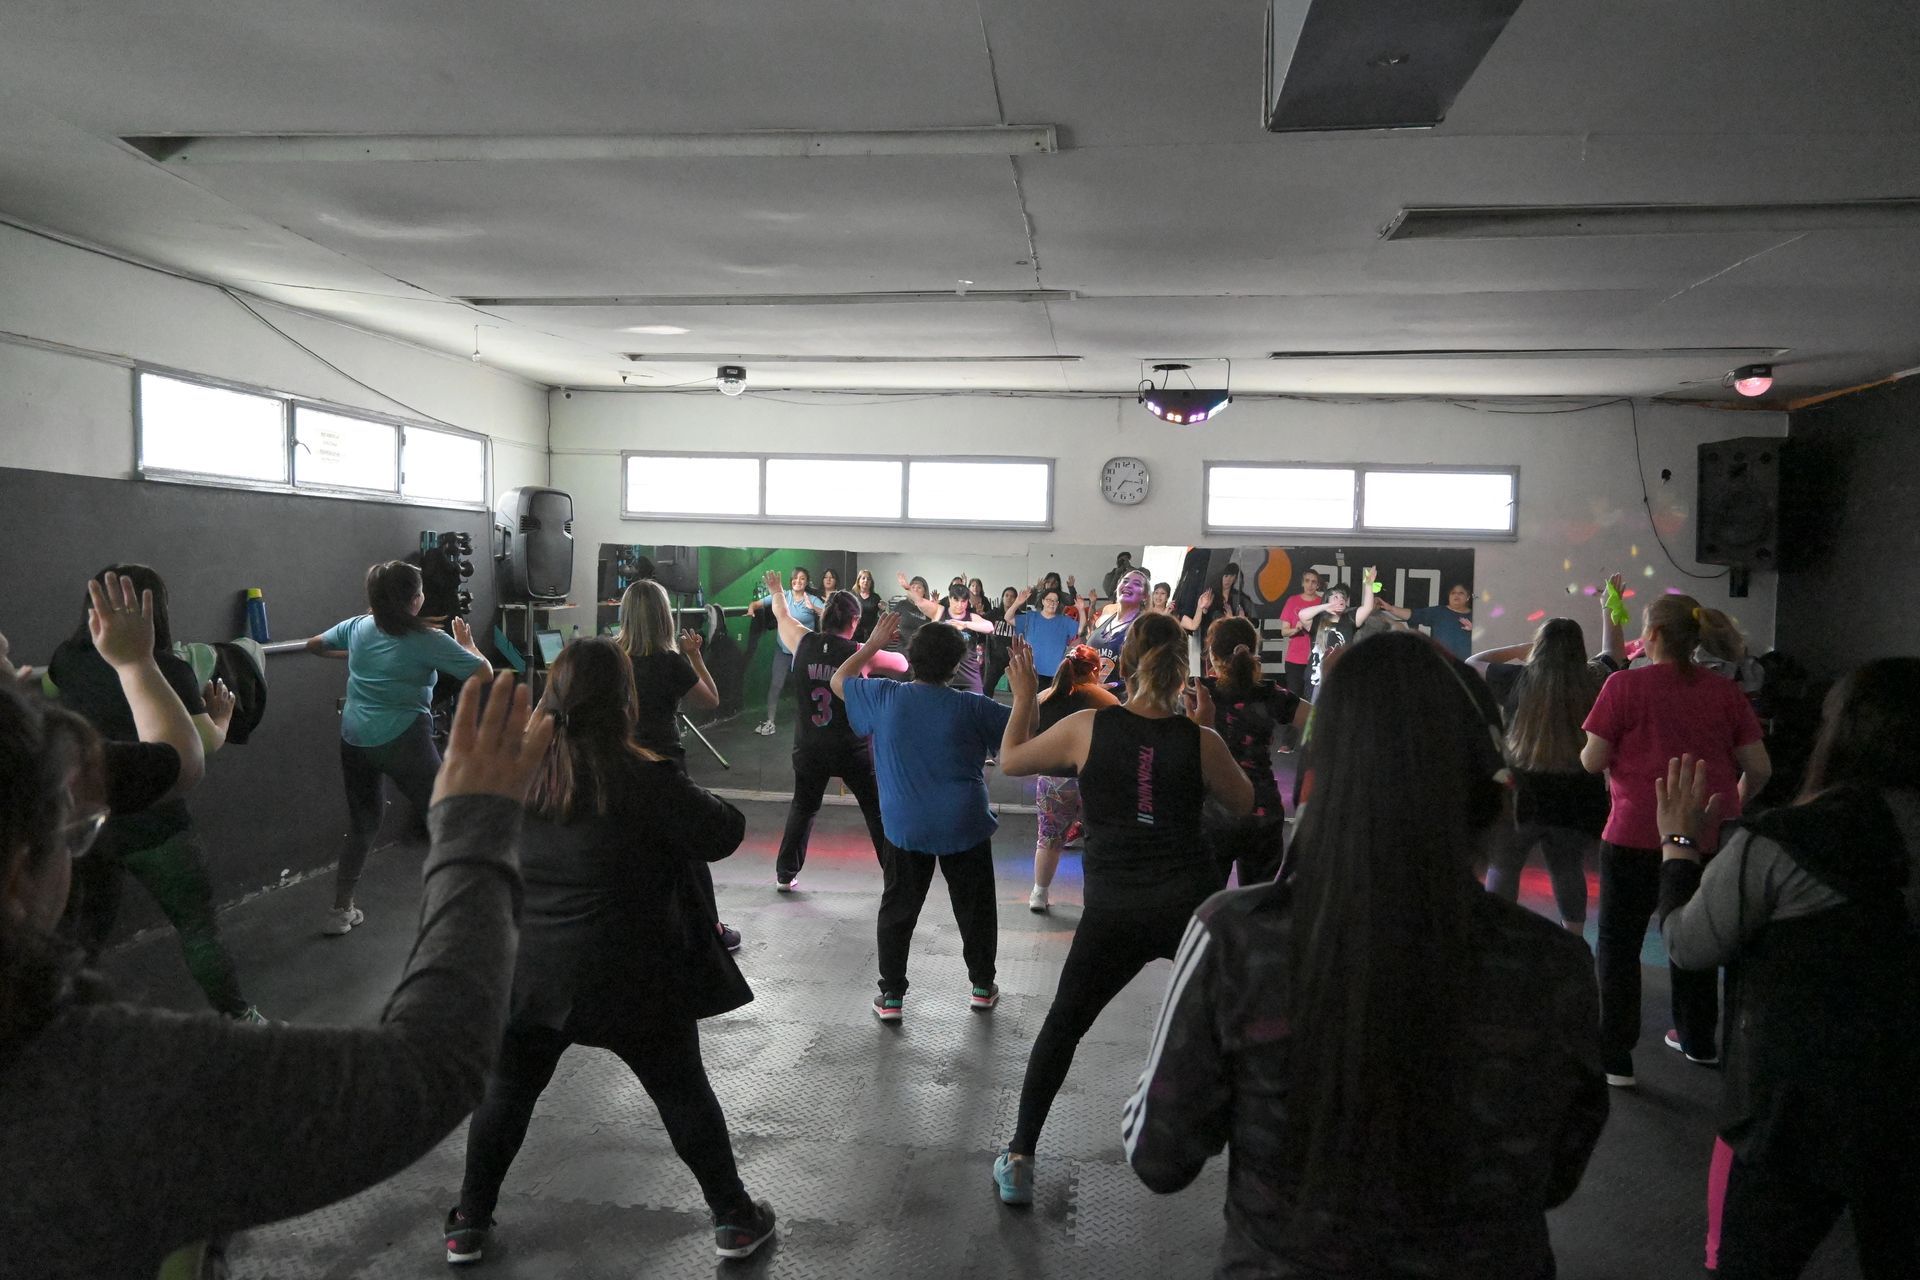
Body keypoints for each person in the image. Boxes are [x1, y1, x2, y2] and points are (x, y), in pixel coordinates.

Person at [1, 666, 556, 1280]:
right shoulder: (109, 1090)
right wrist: (475, 827)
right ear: (19, 876)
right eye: (71, 836)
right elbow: (431, 1065)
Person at [1123, 631, 1608, 1277]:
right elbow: (1555, 1176)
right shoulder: (1554, 966)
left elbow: (1158, 1155)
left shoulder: (1237, 939)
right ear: (1493, 794)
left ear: (1317, 785)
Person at [447, 639, 776, 1265]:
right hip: (634, 976)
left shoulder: (514, 774)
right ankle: (734, 1218)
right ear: (625, 701)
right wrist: (666, 775)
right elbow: (726, 831)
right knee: (682, 1093)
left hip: (531, 971)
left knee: (506, 1093)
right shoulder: (645, 776)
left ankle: (468, 1221)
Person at [1655, 660, 1919, 1280]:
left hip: (1797, 1112)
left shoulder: (1783, 842)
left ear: (1842, 733)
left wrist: (1679, 847)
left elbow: (1689, 944)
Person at [992, 613, 1254, 1205]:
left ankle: (1020, 1157)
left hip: (1115, 914)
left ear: (1128, 664)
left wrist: (1027, 697)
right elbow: (1243, 802)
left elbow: (1009, 760)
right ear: (1181, 669)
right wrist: (1208, 734)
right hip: (1190, 907)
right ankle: (1265, 1166)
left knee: (1063, 1026)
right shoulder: (1199, 739)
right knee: (1237, 1032)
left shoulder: (1088, 727)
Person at [47, 564, 258, 1019]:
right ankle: (242, 1020)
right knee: (199, 931)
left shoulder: (66, 659)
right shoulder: (169, 670)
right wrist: (221, 715)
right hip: (158, 828)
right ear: (156, 613)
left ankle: (73, 1024)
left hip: (92, 830)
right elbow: (193, 753)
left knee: (81, 941)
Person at [1581, 594, 1771, 1086]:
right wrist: (1731, 803)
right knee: (1696, 935)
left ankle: (1616, 1056)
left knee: (1618, 945)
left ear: (1656, 637)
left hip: (1631, 834)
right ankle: (1697, 1039)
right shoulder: (1726, 693)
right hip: (1705, 837)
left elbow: (1592, 760)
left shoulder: (1623, 685)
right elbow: (1760, 768)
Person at [832, 613, 1011, 1020]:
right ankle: (982, 986)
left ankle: (891, 996)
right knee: (976, 907)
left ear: (911, 658)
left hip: (905, 826)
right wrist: (1029, 689)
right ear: (955, 665)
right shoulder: (974, 707)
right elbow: (1023, 728)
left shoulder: (884, 696)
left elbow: (838, 682)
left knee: (898, 909)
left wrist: (873, 643)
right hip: (962, 824)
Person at [307, 560, 490, 936]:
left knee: (363, 824)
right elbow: (482, 672)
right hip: (403, 738)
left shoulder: (358, 627)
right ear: (413, 601)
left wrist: (358, 656)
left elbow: (315, 646)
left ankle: (340, 911)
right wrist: (469, 645)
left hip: (355, 737)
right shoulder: (429, 640)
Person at [1471, 577, 1629, 932]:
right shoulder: (1594, 678)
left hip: (1521, 790)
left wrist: (1524, 647)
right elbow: (1616, 656)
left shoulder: (1516, 678)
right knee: (1567, 867)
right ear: (1578, 649)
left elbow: (1472, 660)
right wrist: (1609, 608)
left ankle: (1497, 933)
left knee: (1504, 865)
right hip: (1576, 792)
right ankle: (1573, 937)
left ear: (1539, 648)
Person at [763, 571, 908, 891]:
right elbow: (901, 665)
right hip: (852, 749)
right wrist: (875, 645)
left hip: (809, 747)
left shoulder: (801, 641)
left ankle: (785, 874)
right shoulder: (860, 652)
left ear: (824, 616)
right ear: (854, 622)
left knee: (803, 806)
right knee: (875, 810)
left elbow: (781, 614)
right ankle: (895, 877)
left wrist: (777, 591)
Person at [1196, 617, 1306, 888]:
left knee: (1206, 907)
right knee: (1257, 911)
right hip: (1263, 811)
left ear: (1212, 653)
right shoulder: (1272, 695)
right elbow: (1326, 722)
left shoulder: (1197, 692)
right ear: (1253, 649)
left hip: (1213, 812)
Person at [1021, 643, 1120, 914]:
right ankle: (1098, 897)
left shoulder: (1044, 696)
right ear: (1095, 670)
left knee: (1048, 840)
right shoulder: (1106, 700)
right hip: (1093, 780)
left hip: (1053, 780)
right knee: (1098, 839)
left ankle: (1039, 893)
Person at [613, 578, 717, 761]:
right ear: (663, 616)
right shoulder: (670, 663)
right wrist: (695, 656)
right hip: (664, 762)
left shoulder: (608, 656)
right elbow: (710, 700)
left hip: (619, 761)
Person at [748, 567, 823, 737]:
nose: (798, 581)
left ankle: (813, 721)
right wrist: (752, 608)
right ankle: (770, 722)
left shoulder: (811, 599)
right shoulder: (784, 596)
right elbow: (758, 603)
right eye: (795, 578)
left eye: (802, 579)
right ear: (791, 581)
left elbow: (828, 612)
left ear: (807, 582)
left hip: (803, 651)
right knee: (776, 685)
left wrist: (814, 607)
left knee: (808, 686)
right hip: (783, 651)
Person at [899, 576, 996, 694]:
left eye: (963, 601)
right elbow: (920, 601)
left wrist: (965, 624)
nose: (960, 605)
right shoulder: (939, 611)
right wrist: (908, 588)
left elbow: (989, 627)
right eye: (956, 600)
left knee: (976, 707)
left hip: (968, 676)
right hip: (941, 676)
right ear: (949, 599)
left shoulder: (971, 618)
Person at [1373, 582, 1476, 662]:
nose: (1456, 595)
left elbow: (1489, 637)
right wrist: (1390, 608)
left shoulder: (1477, 616)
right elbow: (1412, 614)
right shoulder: (1438, 612)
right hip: (1443, 665)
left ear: (1468, 597)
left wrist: (1474, 629)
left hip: (1467, 666)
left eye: (1461, 593)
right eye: (1453, 593)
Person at [1010, 587, 1083, 691]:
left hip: (1055, 674)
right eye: (1049, 600)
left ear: (1058, 604)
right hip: (1031, 671)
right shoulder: (1031, 617)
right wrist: (1017, 602)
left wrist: (1081, 609)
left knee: (1050, 705)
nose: (1052, 603)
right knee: (1031, 704)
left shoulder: (1064, 621)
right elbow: (1008, 618)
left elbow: (1080, 629)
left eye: (1055, 601)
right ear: (1043, 601)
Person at [1087, 569, 1151, 683]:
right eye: (1125, 581)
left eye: (1136, 584)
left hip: (1120, 698)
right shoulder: (1104, 619)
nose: (1128, 585)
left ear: (1145, 596)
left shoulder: (1145, 628)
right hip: (1090, 696)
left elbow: (1146, 674)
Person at [1275, 570, 1325, 703]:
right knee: (1294, 699)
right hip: (1294, 660)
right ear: (1303, 583)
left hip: (1315, 660)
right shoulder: (1292, 601)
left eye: (1314, 582)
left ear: (1318, 585)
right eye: (1307, 581)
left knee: (1313, 700)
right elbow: (1284, 632)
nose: (1310, 585)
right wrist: (1296, 629)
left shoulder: (1322, 603)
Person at [1179, 562, 1253, 637]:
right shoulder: (1212, 595)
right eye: (1226, 576)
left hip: (1232, 638)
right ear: (1221, 576)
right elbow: (1199, 622)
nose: (1228, 579)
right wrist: (1204, 609)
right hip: (1213, 638)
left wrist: (1242, 620)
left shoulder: (1239, 598)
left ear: (1235, 578)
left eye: (1232, 576)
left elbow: (1254, 621)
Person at [850, 569, 884, 643]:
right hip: (855, 633)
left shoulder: (876, 597)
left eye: (868, 579)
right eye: (863, 578)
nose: (866, 581)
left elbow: (881, 616)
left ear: (871, 583)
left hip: (871, 634)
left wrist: (883, 609)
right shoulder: (852, 596)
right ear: (858, 581)